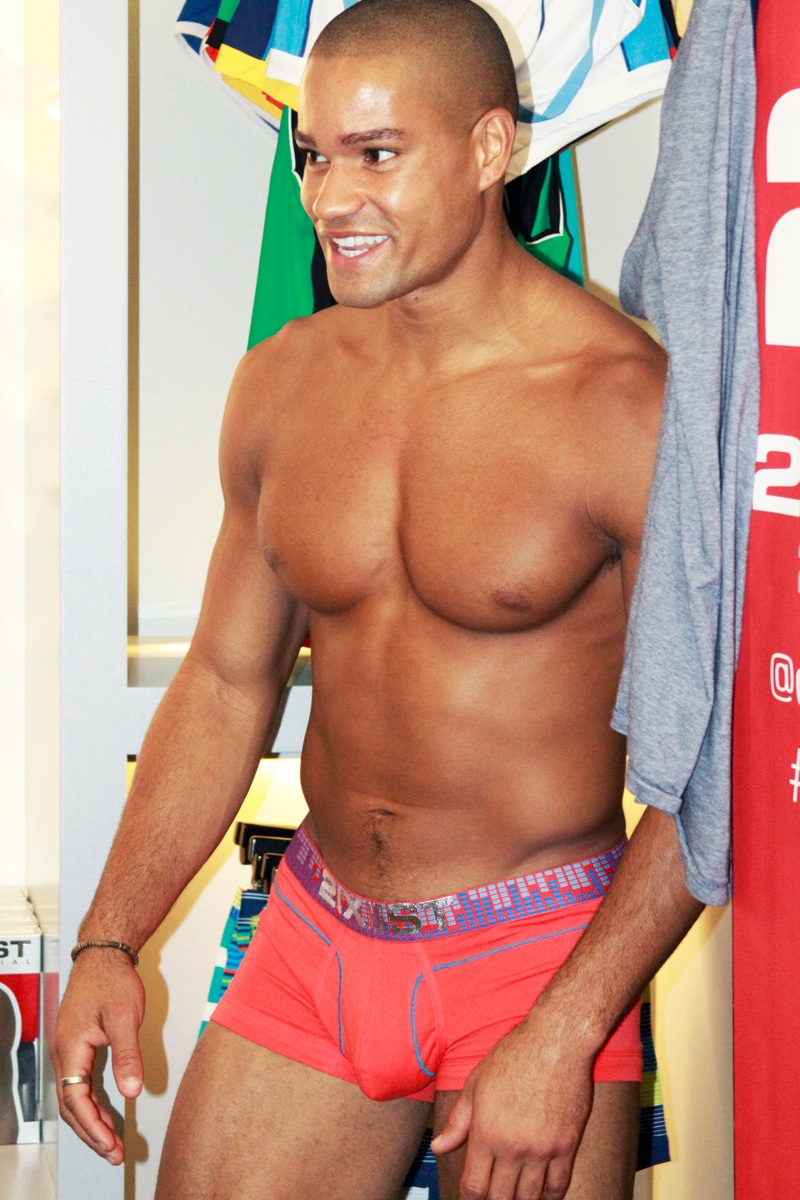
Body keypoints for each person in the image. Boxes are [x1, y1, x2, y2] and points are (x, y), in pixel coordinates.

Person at [52, 1, 704, 1197]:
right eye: (312, 155)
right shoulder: (282, 384)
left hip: (539, 952)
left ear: (490, 148)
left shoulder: (624, 405)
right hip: (319, 924)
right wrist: (109, 934)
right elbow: (226, 681)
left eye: (376, 154)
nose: (329, 197)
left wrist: (569, 1028)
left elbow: (713, 757)